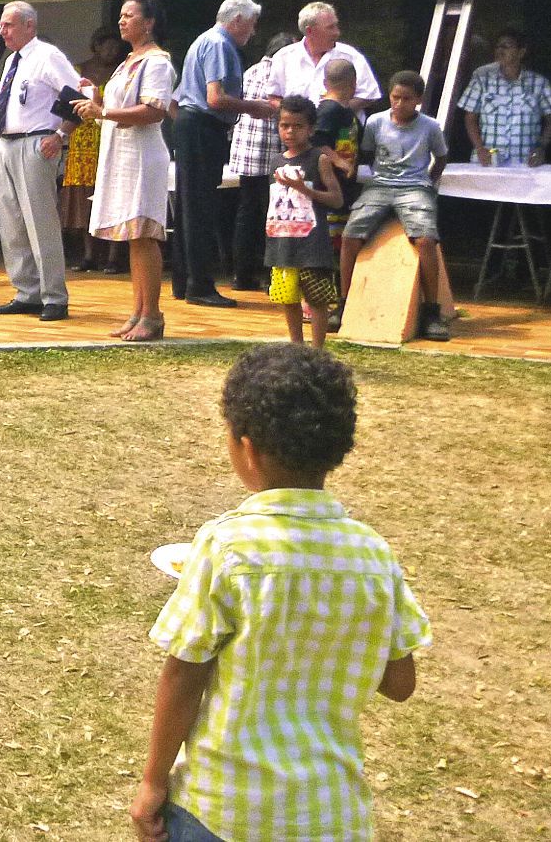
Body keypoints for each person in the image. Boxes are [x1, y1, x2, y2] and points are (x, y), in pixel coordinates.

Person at [133, 341, 429, 842]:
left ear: (246, 447)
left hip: (224, 809)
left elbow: (184, 672)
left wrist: (152, 782)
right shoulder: (373, 555)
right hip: (331, 813)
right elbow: (400, 683)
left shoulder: (226, 546)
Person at [76, 0, 175, 342]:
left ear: (148, 22)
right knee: (133, 237)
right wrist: (94, 100)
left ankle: (153, 314)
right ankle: (138, 310)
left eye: (129, 16)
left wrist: (102, 113)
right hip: (121, 155)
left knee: (144, 234)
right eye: (120, 15)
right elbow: (116, 106)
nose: (121, 21)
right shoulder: (127, 61)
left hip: (143, 156)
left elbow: (153, 110)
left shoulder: (157, 62)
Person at [172, 0, 275, 308]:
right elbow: (216, 98)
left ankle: (185, 280)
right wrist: (254, 107)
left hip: (191, 124)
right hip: (204, 126)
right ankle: (200, 286)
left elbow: (174, 102)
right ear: (238, 20)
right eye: (252, 25)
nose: (253, 33)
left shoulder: (201, 41)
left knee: (189, 206)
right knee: (201, 208)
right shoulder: (220, 44)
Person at [339, 70, 452, 342]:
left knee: (425, 240)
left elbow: (441, 158)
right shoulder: (376, 122)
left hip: (415, 186)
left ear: (419, 101)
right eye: (395, 97)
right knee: (349, 236)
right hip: (380, 185)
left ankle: (431, 312)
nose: (399, 104)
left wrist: (428, 184)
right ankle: (343, 303)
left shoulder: (430, 126)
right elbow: (366, 154)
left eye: (406, 99)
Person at [0, 1, 80, 321]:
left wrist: (60, 135)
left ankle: (54, 295)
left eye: (10, 25)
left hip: (35, 143)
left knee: (40, 223)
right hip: (6, 144)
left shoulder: (46, 56)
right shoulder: (13, 60)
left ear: (30, 26)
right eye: (2, 25)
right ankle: (27, 291)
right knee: (12, 224)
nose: (3, 31)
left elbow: (78, 95)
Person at [264, 96, 345, 352]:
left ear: (310, 129)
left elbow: (337, 199)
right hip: (282, 241)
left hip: (312, 243)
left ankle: (318, 351)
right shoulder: (276, 161)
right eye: (285, 125)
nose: (290, 131)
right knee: (287, 297)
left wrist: (304, 189)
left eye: (297, 126)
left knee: (317, 298)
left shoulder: (318, 159)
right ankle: (296, 349)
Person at [224, 32, 293, 294]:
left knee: (247, 213)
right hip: (272, 151)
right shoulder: (282, 73)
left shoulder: (250, 71)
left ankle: (241, 275)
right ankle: (269, 276)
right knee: (273, 213)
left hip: (245, 152)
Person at [63, 27, 126, 273]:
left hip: (110, 138)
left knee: (110, 197)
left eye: (116, 47)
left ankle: (112, 256)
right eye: (107, 46)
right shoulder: (79, 71)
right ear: (96, 46)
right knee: (84, 201)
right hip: (81, 140)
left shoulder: (120, 73)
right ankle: (88, 255)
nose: (112, 52)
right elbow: (66, 105)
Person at [459, 28, 551, 166]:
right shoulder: (482, 78)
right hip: (488, 162)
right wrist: (479, 148)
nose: (500, 51)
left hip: (525, 163)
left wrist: (541, 147)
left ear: (521, 52)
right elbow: (470, 118)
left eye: (506, 46)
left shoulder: (539, 83)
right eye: (498, 46)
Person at [315, 57, 364, 331]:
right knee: (332, 245)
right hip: (330, 187)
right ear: (353, 84)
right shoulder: (329, 110)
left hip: (346, 188)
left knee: (339, 242)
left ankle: (340, 297)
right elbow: (318, 141)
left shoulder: (346, 112)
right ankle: (328, 300)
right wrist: (339, 160)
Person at [264, 1, 382, 108]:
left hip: (339, 130)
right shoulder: (284, 57)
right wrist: (296, 116)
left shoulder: (350, 56)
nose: (337, 32)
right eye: (330, 27)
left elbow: (369, 95)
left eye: (336, 25)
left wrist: (334, 113)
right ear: (309, 31)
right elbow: (273, 96)